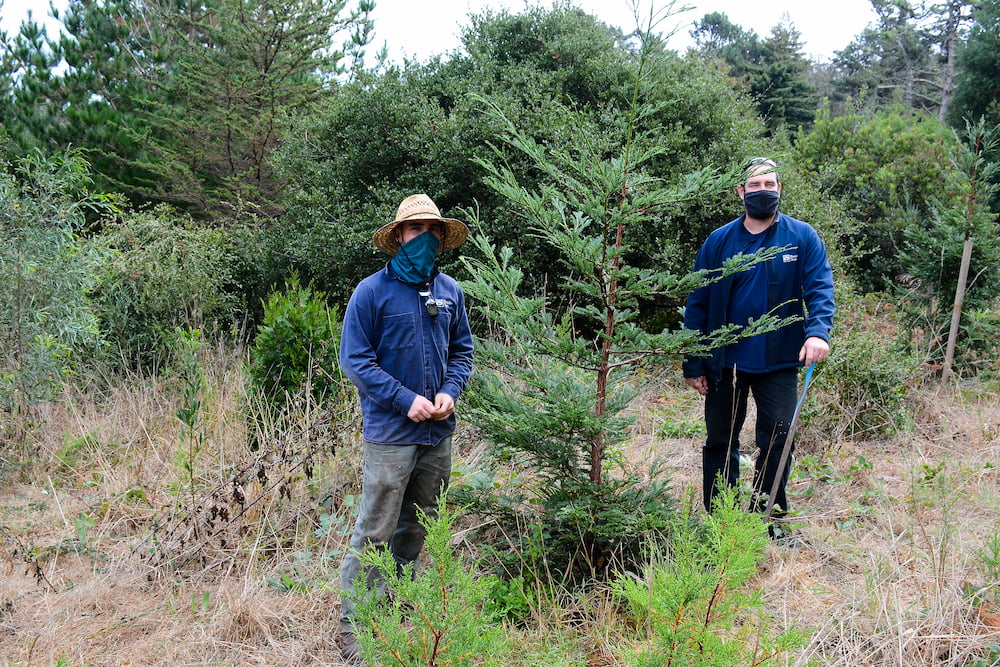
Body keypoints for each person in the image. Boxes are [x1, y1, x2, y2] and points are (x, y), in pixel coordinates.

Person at [337, 194, 474, 664]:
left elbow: (462, 351)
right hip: (390, 436)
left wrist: (449, 391)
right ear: (398, 236)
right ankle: (356, 634)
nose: (424, 238)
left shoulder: (451, 291)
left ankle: (393, 615)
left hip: (438, 435)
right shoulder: (371, 292)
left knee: (415, 529)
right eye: (415, 230)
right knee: (374, 530)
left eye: (432, 230)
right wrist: (404, 399)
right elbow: (354, 360)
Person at [682, 157, 834, 525]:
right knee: (721, 440)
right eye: (755, 186)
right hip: (725, 363)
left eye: (769, 184)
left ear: (779, 189)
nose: (763, 192)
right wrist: (693, 361)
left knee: (779, 438)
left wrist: (817, 332)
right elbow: (697, 301)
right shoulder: (718, 242)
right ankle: (721, 519)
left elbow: (820, 288)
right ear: (741, 192)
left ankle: (768, 519)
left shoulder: (801, 237)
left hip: (780, 360)